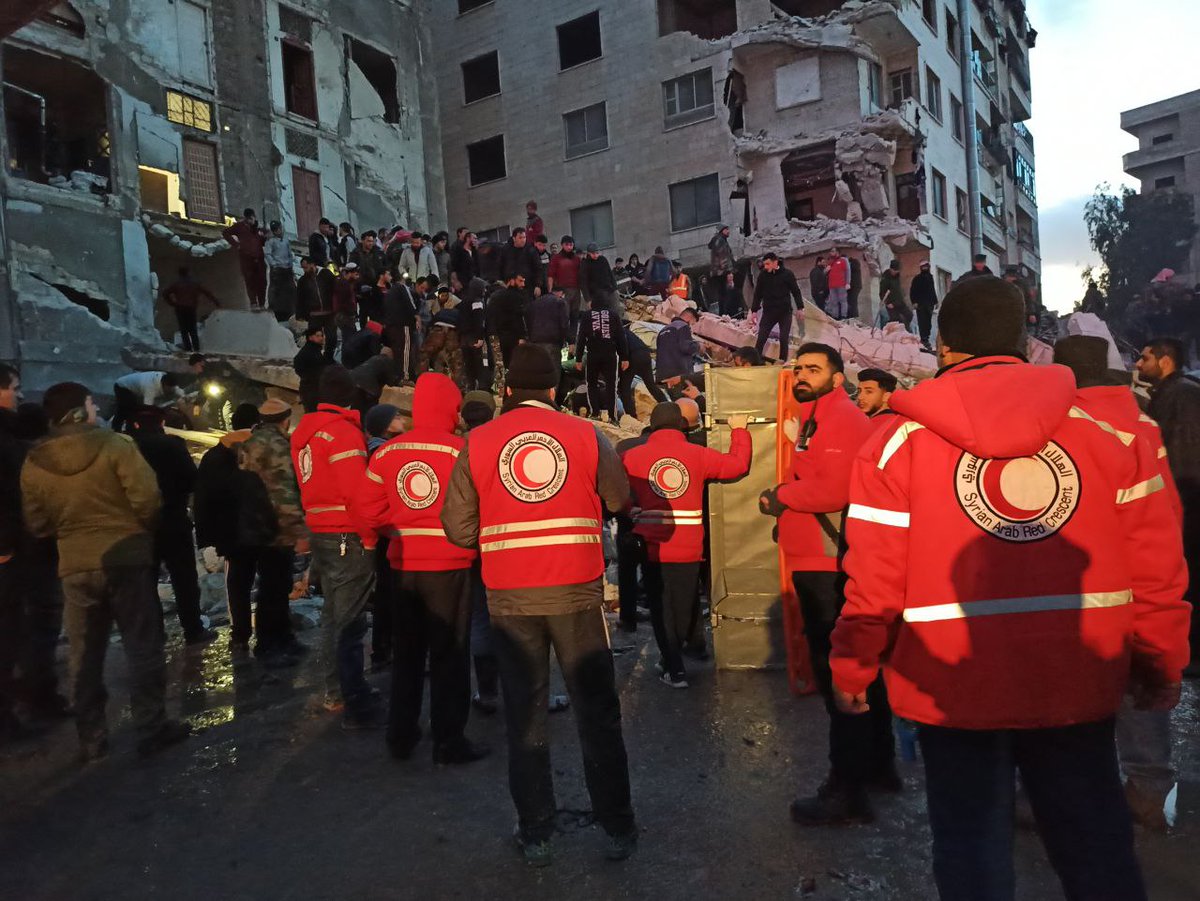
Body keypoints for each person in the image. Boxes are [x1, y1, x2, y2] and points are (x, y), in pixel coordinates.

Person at [830, 279, 1189, 900]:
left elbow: (873, 577)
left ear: (942, 345)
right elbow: (1155, 563)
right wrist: (1159, 660)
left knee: (971, 848)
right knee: (1096, 846)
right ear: (1027, 340)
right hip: (1077, 671)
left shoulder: (895, 442)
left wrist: (854, 664)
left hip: (950, 684)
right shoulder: (1112, 434)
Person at [441, 344, 638, 866]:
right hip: (575, 593)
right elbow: (619, 499)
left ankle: (537, 833)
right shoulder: (585, 434)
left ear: (509, 391)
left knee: (525, 717)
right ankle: (617, 827)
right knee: (596, 712)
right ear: (554, 390)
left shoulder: (478, 442)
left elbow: (459, 530)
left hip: (509, 601)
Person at [21, 382, 191, 760]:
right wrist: (137, 532)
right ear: (80, 411)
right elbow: (147, 499)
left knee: (85, 652)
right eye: (90, 405)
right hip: (126, 557)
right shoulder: (116, 446)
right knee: (142, 643)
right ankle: (151, 725)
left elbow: (37, 522)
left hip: (75, 564)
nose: (96, 410)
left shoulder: (35, 461)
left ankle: (91, 735)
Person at [1055, 335, 1182, 830]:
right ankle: (1150, 787)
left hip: (1083, 582)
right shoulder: (1140, 422)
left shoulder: (1060, 426)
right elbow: (1161, 509)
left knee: (1080, 692)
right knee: (1141, 680)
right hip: (1139, 571)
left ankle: (1077, 791)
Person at [757, 343, 885, 825]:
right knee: (849, 672)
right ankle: (872, 770)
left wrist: (780, 497)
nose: (802, 376)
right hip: (815, 551)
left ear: (837, 377)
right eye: (798, 369)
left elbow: (832, 489)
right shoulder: (818, 417)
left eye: (814, 369)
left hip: (826, 561)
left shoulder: (840, 419)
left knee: (840, 676)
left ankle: (847, 789)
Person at [361, 373, 490, 765]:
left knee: (408, 653)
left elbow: (366, 510)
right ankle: (448, 740)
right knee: (449, 654)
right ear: (452, 408)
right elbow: (478, 508)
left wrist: (396, 532)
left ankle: (400, 735)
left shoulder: (386, 452)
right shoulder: (461, 451)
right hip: (450, 566)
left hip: (404, 566)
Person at [622, 403, 751, 686]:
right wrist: (740, 431)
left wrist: (631, 508)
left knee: (660, 607)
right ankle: (674, 656)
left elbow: (617, 491)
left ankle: (674, 667)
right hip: (689, 545)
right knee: (682, 604)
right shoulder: (698, 455)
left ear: (652, 426)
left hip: (653, 546)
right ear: (683, 425)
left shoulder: (633, 456)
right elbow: (737, 465)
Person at [291, 366, 383, 728]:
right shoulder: (342, 434)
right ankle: (351, 695)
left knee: (334, 616)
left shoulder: (306, 433)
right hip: (347, 534)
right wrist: (371, 536)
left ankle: (338, 689)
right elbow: (356, 493)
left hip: (321, 532)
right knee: (349, 621)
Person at [0, 366, 65, 738]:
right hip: (15, 552)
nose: (19, 394)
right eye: (13, 388)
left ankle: (33, 698)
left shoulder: (11, 435)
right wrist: (5, 546)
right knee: (13, 630)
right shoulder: (8, 440)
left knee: (27, 628)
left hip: (27, 548)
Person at [1135, 337, 1200, 675]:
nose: (1138, 365)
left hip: (1190, 503)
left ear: (1164, 361)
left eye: (1144, 359)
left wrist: (1176, 501)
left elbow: (1184, 455)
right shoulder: (1171, 394)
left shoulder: (1183, 395)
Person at [127, 406, 215, 645]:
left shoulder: (127, 449)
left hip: (139, 524)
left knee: (146, 579)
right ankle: (193, 629)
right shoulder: (172, 445)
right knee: (184, 578)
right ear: (162, 422)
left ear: (135, 425)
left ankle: (154, 632)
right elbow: (192, 480)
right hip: (174, 518)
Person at [230, 398, 308, 664]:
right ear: (285, 420)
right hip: (277, 526)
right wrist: (298, 531)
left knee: (269, 585)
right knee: (275, 586)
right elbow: (285, 493)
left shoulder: (249, 444)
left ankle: (279, 638)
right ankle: (271, 643)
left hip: (253, 525)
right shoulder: (280, 446)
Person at [575, 294, 628, 421]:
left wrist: (578, 358)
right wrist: (624, 357)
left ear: (593, 303)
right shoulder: (613, 315)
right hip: (610, 354)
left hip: (593, 354)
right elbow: (621, 337)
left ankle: (595, 413)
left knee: (591, 384)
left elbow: (581, 337)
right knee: (611, 386)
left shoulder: (587, 315)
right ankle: (612, 416)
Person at [752, 253, 804, 362]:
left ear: (775, 262)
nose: (765, 267)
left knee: (784, 339)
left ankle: (782, 362)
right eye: (764, 264)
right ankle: (755, 361)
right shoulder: (763, 275)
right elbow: (758, 294)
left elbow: (796, 291)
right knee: (761, 338)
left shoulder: (787, 274)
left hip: (784, 312)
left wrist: (800, 308)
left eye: (768, 264)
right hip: (769, 312)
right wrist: (754, 311)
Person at [618, 316, 667, 418]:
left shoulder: (616, 332)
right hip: (645, 354)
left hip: (633, 356)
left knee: (624, 388)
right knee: (651, 386)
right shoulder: (628, 332)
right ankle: (667, 405)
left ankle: (631, 416)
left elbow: (621, 349)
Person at [161, 267, 219, 351]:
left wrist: (173, 303)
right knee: (192, 329)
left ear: (179, 274)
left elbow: (165, 294)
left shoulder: (176, 284)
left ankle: (188, 349)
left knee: (184, 329)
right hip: (191, 308)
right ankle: (196, 349)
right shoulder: (194, 283)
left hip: (180, 308)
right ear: (188, 273)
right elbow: (207, 292)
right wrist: (216, 302)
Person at [453, 271, 491, 392]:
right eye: (483, 288)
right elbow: (478, 319)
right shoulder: (477, 302)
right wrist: (480, 337)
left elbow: (459, 319)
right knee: (480, 363)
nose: (485, 291)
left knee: (468, 365)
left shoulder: (463, 301)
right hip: (474, 338)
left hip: (464, 338)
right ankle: (482, 389)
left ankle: (469, 389)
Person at [223, 208, 267, 310]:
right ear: (245, 218)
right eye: (249, 219)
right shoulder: (239, 226)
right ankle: (253, 303)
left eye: (252, 218)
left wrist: (264, 237)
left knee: (262, 281)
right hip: (246, 258)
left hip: (259, 258)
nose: (251, 221)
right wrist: (236, 245)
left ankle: (262, 304)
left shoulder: (258, 228)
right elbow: (225, 233)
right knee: (250, 280)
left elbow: (263, 241)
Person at [111, 370, 181, 433]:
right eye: (169, 389)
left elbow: (176, 390)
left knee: (134, 408)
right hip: (122, 386)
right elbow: (148, 408)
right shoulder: (150, 387)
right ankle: (117, 429)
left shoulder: (167, 380)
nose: (170, 391)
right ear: (164, 385)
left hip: (135, 388)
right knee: (126, 409)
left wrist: (182, 396)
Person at [487, 274, 529, 370]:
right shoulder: (516, 297)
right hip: (511, 337)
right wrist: (522, 337)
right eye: (520, 281)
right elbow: (518, 318)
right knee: (513, 366)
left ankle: (501, 384)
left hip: (495, 336)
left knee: (499, 368)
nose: (523, 284)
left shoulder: (493, 298)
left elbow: (489, 318)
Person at [382, 268, 419, 378]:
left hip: (391, 326)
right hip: (403, 325)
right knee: (405, 351)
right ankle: (405, 375)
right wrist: (416, 317)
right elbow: (411, 305)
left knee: (397, 351)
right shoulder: (402, 288)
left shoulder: (390, 292)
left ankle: (398, 375)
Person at [298, 256, 337, 360]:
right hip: (314, 315)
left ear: (312, 264)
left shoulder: (326, 274)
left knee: (332, 338)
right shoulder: (303, 281)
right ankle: (315, 359)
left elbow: (336, 288)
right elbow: (300, 298)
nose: (304, 270)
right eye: (303, 268)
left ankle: (328, 359)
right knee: (313, 340)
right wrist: (301, 314)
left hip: (329, 313)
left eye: (306, 267)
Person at [527, 285, 571, 367]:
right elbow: (564, 324)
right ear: (561, 293)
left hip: (535, 341)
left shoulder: (535, 303)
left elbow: (528, 321)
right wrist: (569, 341)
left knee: (538, 370)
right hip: (552, 342)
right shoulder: (560, 302)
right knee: (553, 371)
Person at [547, 236, 583, 332]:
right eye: (567, 245)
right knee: (563, 316)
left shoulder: (577, 259)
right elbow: (550, 275)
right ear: (562, 245)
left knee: (575, 316)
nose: (569, 247)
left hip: (576, 290)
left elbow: (582, 275)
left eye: (571, 245)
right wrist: (550, 292)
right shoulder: (556, 258)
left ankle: (573, 340)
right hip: (562, 291)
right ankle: (564, 340)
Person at [655, 307, 700, 384]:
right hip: (677, 376)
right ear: (690, 318)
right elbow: (686, 347)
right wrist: (699, 346)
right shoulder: (683, 326)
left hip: (661, 376)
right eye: (693, 324)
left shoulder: (662, 330)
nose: (691, 327)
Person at [263, 221, 296, 322]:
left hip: (287, 268)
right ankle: (277, 313)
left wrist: (291, 264)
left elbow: (290, 253)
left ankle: (291, 311)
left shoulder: (285, 241)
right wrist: (274, 264)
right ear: (274, 231)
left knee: (290, 290)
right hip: (278, 270)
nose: (279, 231)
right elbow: (267, 254)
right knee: (277, 292)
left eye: (280, 228)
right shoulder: (271, 242)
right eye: (277, 229)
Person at [350, 345, 400, 413]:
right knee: (370, 411)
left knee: (356, 409)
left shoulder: (374, 358)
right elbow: (391, 382)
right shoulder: (388, 361)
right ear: (392, 355)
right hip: (369, 388)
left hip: (353, 381)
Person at [499, 228, 543, 299]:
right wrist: (501, 280)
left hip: (528, 287)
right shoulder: (506, 250)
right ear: (514, 238)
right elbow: (500, 266)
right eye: (520, 238)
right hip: (510, 286)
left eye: (524, 237)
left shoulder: (531, 250)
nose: (523, 240)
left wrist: (538, 285)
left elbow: (538, 268)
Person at [293, 326, 327, 413]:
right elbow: (298, 365)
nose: (321, 338)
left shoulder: (315, 350)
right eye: (317, 336)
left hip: (315, 389)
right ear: (310, 337)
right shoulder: (307, 352)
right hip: (310, 391)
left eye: (321, 336)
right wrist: (310, 378)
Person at [580, 243, 619, 312]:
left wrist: (615, 288)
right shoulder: (585, 264)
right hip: (596, 294)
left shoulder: (603, 260)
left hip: (609, 290)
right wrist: (588, 299)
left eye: (597, 253)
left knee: (614, 311)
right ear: (588, 253)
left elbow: (610, 274)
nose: (595, 255)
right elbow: (583, 284)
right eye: (593, 253)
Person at [910, 260, 938, 349]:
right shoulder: (917, 278)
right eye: (923, 267)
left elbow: (932, 290)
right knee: (922, 321)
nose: (925, 268)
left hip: (929, 303)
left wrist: (935, 301)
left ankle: (927, 338)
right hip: (920, 304)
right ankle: (924, 339)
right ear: (921, 268)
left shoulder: (930, 277)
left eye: (926, 266)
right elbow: (912, 291)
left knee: (928, 323)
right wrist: (914, 302)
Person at [878, 260, 912, 328]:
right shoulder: (885, 278)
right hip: (891, 304)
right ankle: (894, 334)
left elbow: (899, 290)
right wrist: (887, 303)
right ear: (891, 269)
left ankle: (905, 331)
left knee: (909, 315)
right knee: (895, 320)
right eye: (894, 270)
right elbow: (882, 293)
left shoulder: (898, 276)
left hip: (900, 302)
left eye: (897, 270)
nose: (896, 272)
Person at [708, 225, 735, 298]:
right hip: (722, 272)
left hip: (719, 272)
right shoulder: (720, 240)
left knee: (722, 294)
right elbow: (723, 256)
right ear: (722, 231)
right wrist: (728, 271)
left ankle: (724, 309)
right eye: (726, 229)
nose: (728, 231)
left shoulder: (719, 240)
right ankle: (726, 309)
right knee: (725, 294)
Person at [826, 248, 850, 319]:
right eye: (830, 252)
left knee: (843, 300)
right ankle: (835, 316)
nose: (831, 253)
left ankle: (843, 316)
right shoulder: (830, 262)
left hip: (841, 284)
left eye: (833, 251)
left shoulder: (843, 260)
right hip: (832, 286)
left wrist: (847, 282)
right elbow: (825, 273)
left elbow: (847, 271)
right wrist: (826, 270)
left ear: (837, 252)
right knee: (834, 301)